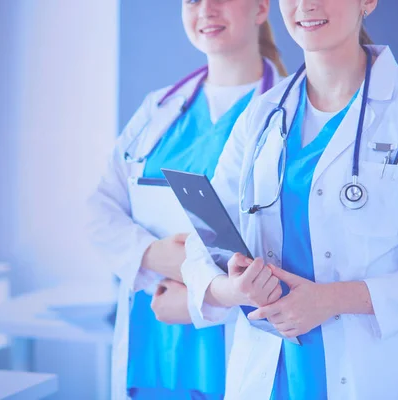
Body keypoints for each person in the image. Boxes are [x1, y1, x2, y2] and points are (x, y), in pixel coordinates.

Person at [181, 0, 398, 399]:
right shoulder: (263, 114)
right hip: (266, 377)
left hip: (373, 378)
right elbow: (204, 236)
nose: (305, 5)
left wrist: (330, 300)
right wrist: (233, 290)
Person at [87, 0, 288, 399]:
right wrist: (153, 255)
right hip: (154, 341)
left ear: (261, 8)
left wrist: (200, 296)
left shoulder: (289, 111)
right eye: (193, 0)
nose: (206, 9)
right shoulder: (158, 110)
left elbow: (294, 247)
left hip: (233, 340)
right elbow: (99, 210)